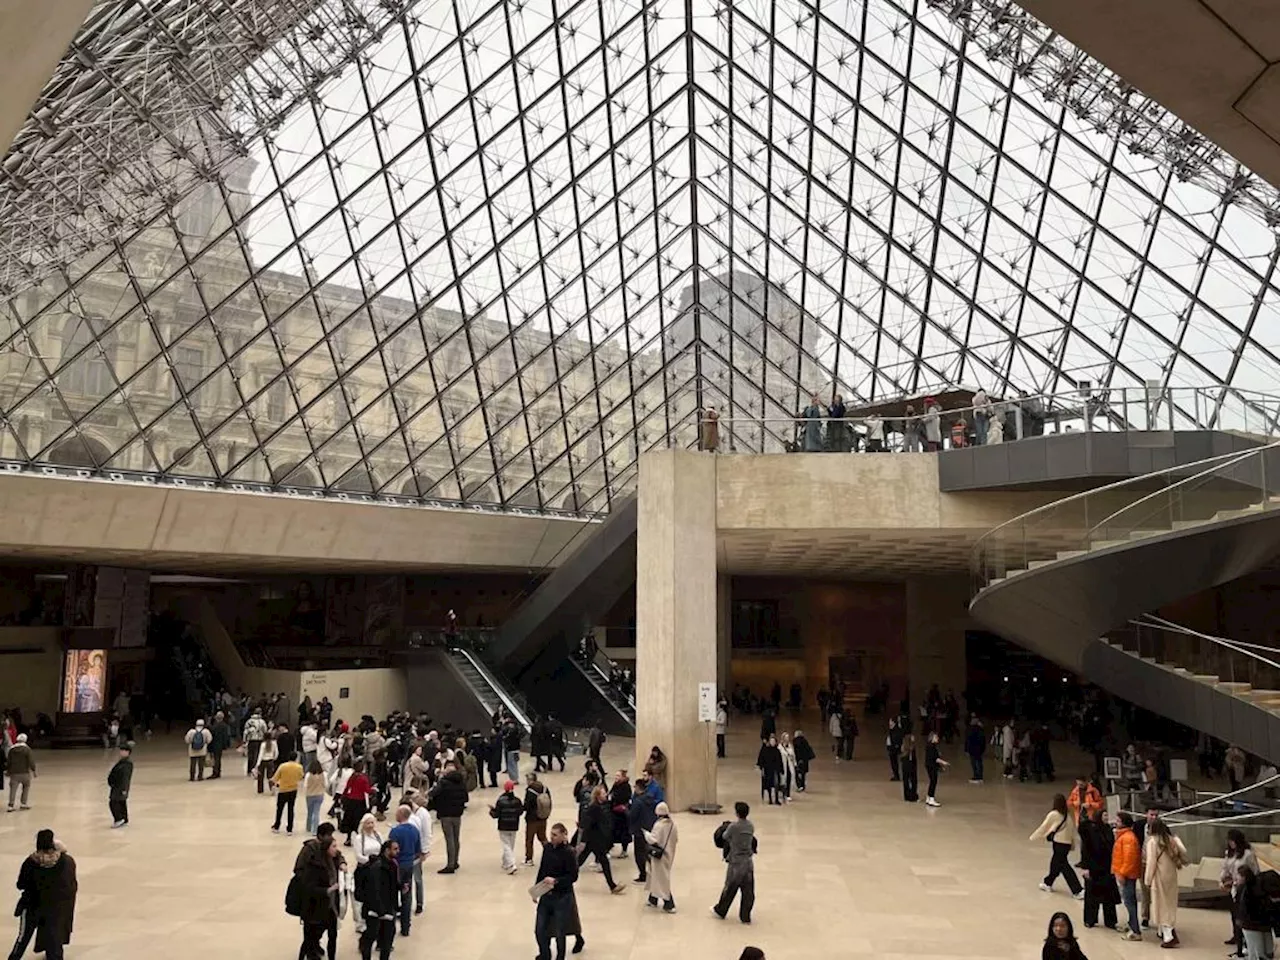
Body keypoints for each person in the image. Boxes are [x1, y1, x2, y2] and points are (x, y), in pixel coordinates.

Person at [8, 829, 77, 960]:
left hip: (32, 906)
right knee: (54, 941)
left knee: (22, 939)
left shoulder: (30, 862)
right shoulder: (65, 861)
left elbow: (20, 884)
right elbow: (70, 884)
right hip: (53, 908)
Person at [289, 823, 343, 960]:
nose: (331, 838)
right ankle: (310, 951)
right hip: (313, 902)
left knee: (327, 932)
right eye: (328, 836)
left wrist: (343, 863)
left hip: (328, 903)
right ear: (321, 836)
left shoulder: (331, 855)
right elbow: (299, 871)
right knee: (311, 933)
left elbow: (339, 856)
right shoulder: (310, 852)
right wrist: (320, 887)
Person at [534, 823, 580, 960]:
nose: (551, 837)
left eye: (555, 835)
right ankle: (545, 954)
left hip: (562, 896)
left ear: (563, 835)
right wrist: (536, 890)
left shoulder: (569, 852)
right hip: (546, 895)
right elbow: (542, 869)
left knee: (560, 931)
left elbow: (573, 876)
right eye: (551, 834)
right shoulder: (547, 848)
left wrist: (556, 881)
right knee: (540, 929)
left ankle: (560, 957)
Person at [1144, 818, 1187, 947]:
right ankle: (1163, 931)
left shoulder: (1153, 842)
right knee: (1170, 903)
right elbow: (1183, 851)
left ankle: (1168, 936)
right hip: (1171, 876)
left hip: (1159, 876)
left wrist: (1147, 879)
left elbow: (1151, 863)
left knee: (1161, 905)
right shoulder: (1171, 840)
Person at [355, 839, 401, 960]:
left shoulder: (392, 864)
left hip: (387, 908)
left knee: (387, 940)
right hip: (375, 910)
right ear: (387, 850)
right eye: (395, 849)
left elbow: (392, 886)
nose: (398, 851)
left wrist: (401, 887)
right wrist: (381, 910)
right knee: (371, 937)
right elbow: (374, 890)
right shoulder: (377, 867)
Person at [712, 801, 757, 923]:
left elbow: (725, 837)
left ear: (737, 813)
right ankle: (745, 915)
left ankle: (721, 910)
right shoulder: (750, 826)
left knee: (730, 888)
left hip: (736, 861)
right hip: (748, 862)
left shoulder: (734, 827)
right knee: (748, 890)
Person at [576, 785, 626, 894]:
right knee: (602, 862)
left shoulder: (599, 806)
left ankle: (612, 886)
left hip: (595, 839)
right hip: (594, 840)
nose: (606, 795)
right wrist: (583, 841)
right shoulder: (595, 807)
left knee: (580, 861)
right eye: (603, 794)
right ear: (598, 796)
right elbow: (588, 825)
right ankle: (612, 886)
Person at [1030, 794, 1082, 897]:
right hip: (1066, 844)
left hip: (1059, 843)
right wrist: (1072, 844)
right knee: (1056, 863)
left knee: (1063, 866)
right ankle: (1047, 883)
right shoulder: (1067, 815)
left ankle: (1077, 890)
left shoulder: (1054, 814)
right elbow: (1071, 831)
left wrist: (1034, 836)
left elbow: (1044, 826)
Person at [1078, 808, 1120, 929]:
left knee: (1109, 896)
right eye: (1104, 815)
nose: (1107, 818)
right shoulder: (1091, 829)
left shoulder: (1108, 830)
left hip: (1107, 868)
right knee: (1091, 896)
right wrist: (1085, 867)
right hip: (1093, 867)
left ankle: (1110, 921)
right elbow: (1086, 848)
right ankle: (1090, 919)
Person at [387, 805, 424, 935]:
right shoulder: (414, 830)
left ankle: (390, 926)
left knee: (391, 895)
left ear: (401, 815)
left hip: (396, 867)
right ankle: (406, 926)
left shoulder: (395, 832)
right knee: (406, 895)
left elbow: (390, 850)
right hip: (409, 866)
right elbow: (418, 850)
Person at [426, 761, 468, 873]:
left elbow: (433, 793)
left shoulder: (443, 783)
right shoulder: (461, 783)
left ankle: (450, 865)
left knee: (449, 839)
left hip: (445, 813)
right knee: (456, 838)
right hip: (457, 814)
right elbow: (466, 798)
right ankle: (455, 861)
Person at [1223, 829, 1259, 956]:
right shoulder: (1229, 854)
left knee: (1242, 915)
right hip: (1232, 887)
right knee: (1234, 914)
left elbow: (1255, 871)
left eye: (1233, 840)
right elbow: (1225, 868)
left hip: (1244, 888)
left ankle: (1244, 941)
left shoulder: (1248, 854)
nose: (1231, 843)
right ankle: (1236, 936)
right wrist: (1223, 879)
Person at [350, 813, 384, 934]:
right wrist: (371, 861)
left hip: (377, 871)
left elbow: (383, 849)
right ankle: (360, 923)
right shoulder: (359, 839)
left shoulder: (378, 836)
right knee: (361, 897)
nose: (370, 825)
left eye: (372, 823)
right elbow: (358, 856)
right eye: (368, 823)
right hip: (364, 871)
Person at [1112, 811, 1143, 941]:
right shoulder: (1124, 837)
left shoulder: (1128, 838)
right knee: (1129, 901)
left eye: (1118, 821)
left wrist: (1122, 874)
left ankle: (1135, 930)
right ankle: (1132, 924)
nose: (1115, 823)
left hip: (1127, 875)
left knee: (1129, 901)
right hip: (1126, 873)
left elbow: (1129, 859)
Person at [643, 801, 678, 913]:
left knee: (661, 879)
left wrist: (646, 834)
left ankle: (669, 904)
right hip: (669, 854)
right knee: (657, 877)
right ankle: (653, 899)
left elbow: (653, 839)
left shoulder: (659, 825)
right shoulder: (673, 825)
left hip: (659, 856)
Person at [628, 775, 659, 884]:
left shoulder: (637, 802)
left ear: (638, 788)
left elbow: (632, 815)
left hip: (639, 831)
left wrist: (625, 811)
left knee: (639, 854)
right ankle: (654, 872)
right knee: (648, 852)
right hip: (649, 829)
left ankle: (643, 875)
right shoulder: (650, 798)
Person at [1239, 866, 1274, 960]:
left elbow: (1244, 908)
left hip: (1250, 924)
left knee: (1254, 950)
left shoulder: (1246, 889)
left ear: (1244, 877)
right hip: (1261, 922)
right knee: (1262, 951)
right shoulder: (1259, 886)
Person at [491, 780, 524, 875]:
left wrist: (492, 811)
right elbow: (520, 811)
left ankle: (511, 864)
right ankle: (506, 862)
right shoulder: (517, 800)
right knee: (511, 844)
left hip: (503, 825)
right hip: (514, 825)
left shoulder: (500, 800)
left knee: (506, 845)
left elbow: (496, 814)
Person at [407, 793, 432, 915]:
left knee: (417, 878)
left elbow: (427, 833)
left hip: (418, 850)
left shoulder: (423, 814)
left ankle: (419, 903)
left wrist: (425, 850)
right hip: (409, 849)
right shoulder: (410, 814)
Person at [341, 759, 376, 846]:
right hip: (360, 802)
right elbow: (367, 790)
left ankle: (349, 838)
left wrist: (343, 796)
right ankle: (360, 839)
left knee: (350, 820)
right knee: (358, 821)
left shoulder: (352, 777)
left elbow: (347, 788)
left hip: (350, 801)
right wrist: (374, 790)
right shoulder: (363, 778)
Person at [272, 751, 306, 834]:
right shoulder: (299, 767)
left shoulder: (283, 766)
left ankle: (277, 826)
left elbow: (275, 778)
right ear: (296, 758)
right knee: (291, 809)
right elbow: (301, 777)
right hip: (293, 790)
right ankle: (289, 829)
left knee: (279, 809)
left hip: (283, 790)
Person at [524, 771, 551, 866]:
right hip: (543, 817)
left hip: (532, 819)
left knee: (529, 839)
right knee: (543, 837)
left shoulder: (530, 791)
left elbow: (527, 805)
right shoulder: (545, 788)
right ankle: (550, 854)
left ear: (530, 780)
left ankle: (529, 859)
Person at [5, 733, 34, 812]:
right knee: (26, 787)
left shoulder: (11, 749)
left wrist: (8, 771)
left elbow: (9, 762)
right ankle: (23, 803)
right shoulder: (27, 749)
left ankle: (11, 805)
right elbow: (31, 761)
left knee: (13, 789)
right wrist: (33, 770)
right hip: (25, 772)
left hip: (14, 773)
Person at [107, 742, 133, 828]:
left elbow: (125, 777)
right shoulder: (122, 762)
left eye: (123, 750)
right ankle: (124, 819)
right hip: (117, 786)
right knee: (121, 802)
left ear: (127, 752)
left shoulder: (127, 764)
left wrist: (124, 789)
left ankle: (119, 818)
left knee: (114, 802)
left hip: (120, 787)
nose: (121, 752)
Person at [924, 731, 949, 807]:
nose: (937, 738)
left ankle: (928, 797)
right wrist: (944, 763)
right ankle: (931, 798)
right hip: (932, 766)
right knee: (933, 782)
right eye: (936, 737)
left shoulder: (930, 746)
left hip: (929, 765)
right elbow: (935, 758)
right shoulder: (931, 747)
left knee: (932, 781)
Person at [756, 735, 783, 805]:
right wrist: (761, 768)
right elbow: (761, 759)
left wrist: (781, 770)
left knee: (776, 784)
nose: (773, 742)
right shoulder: (765, 750)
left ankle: (776, 799)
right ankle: (770, 799)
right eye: (771, 741)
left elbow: (780, 761)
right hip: (768, 770)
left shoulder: (777, 751)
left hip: (775, 770)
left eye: (774, 741)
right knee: (769, 785)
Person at [304, 759, 327, 834]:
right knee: (316, 812)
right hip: (320, 794)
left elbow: (305, 785)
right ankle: (315, 830)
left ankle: (309, 827)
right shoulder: (324, 774)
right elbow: (326, 784)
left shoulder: (308, 775)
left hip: (309, 795)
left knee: (309, 812)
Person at [243, 708, 268, 776]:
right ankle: (256, 770)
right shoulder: (262, 721)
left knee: (250, 755)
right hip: (259, 740)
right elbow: (265, 731)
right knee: (257, 755)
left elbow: (245, 732)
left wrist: (244, 740)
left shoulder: (249, 721)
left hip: (251, 740)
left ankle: (249, 770)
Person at [208, 711, 232, 779]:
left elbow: (212, 732)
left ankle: (215, 772)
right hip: (221, 744)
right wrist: (226, 744)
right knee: (218, 758)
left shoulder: (216, 725)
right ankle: (218, 772)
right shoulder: (225, 725)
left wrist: (209, 724)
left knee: (216, 759)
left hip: (215, 744)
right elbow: (226, 736)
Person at [964, 717, 985, 783]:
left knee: (974, 763)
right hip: (978, 749)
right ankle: (980, 777)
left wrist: (966, 750)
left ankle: (976, 776)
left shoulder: (970, 729)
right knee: (979, 763)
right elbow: (983, 740)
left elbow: (967, 740)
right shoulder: (980, 729)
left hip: (973, 749)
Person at [900, 731, 919, 802]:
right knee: (913, 781)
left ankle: (907, 796)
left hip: (905, 766)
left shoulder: (904, 750)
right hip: (910, 766)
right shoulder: (910, 750)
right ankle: (913, 796)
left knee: (906, 781)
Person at [886, 717, 903, 781]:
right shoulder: (892, 729)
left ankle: (896, 776)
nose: (889, 723)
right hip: (892, 748)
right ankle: (895, 775)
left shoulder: (897, 730)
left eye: (890, 721)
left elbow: (897, 739)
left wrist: (895, 746)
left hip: (894, 749)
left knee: (894, 763)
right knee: (893, 763)